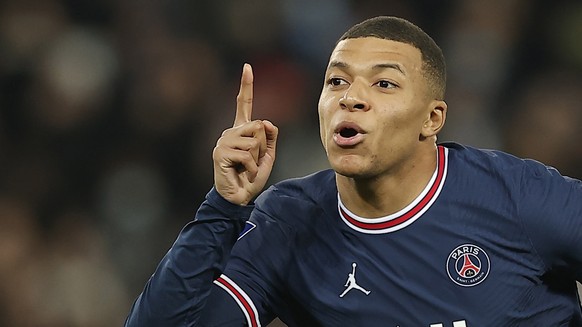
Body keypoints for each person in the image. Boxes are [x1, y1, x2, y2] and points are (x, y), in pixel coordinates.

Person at [125, 16, 582, 326]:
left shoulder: (516, 195)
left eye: (383, 83)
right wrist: (222, 207)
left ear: (432, 119)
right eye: (337, 81)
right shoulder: (287, 223)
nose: (351, 97)